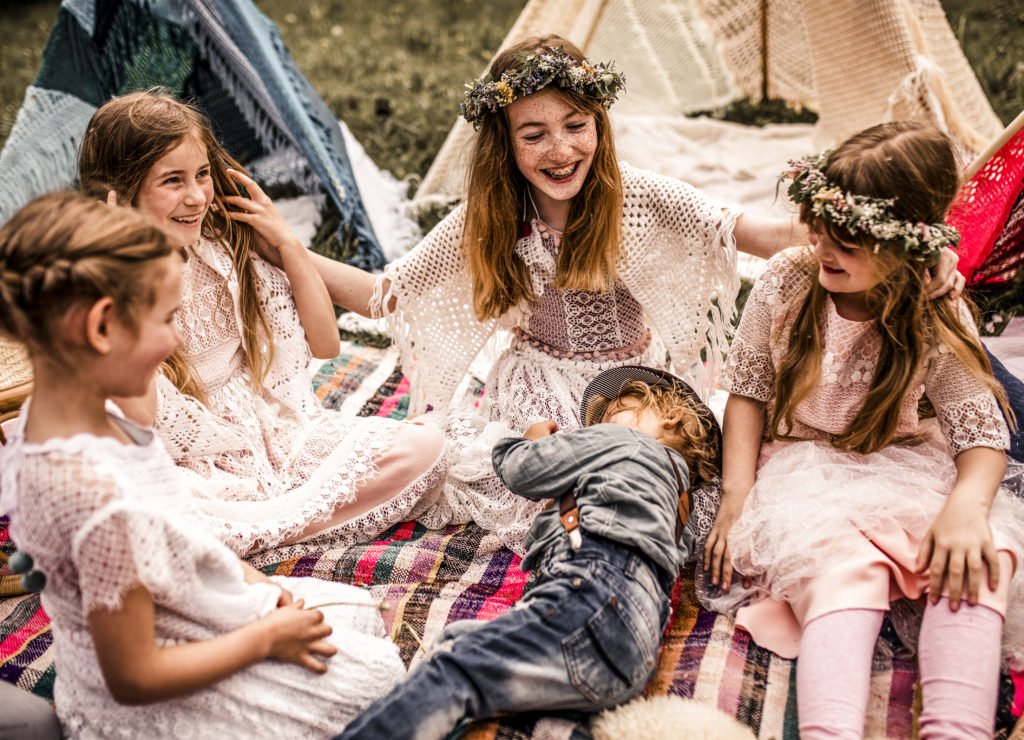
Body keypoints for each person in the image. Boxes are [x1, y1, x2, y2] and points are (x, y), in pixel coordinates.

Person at [292, 35, 963, 553]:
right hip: (540, 385)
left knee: (673, 484)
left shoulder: (637, 197)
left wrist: (915, 245)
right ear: (505, 144)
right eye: (534, 134)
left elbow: (762, 233)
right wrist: (287, 247)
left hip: (637, 382)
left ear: (599, 124)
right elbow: (386, 296)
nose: (560, 150)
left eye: (575, 125)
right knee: (560, 485)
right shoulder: (490, 219)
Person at [0, 192, 406, 737]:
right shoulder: (94, 498)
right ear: (101, 329)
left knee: (354, 611)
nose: (176, 339)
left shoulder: (63, 412)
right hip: (152, 687)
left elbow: (157, 514)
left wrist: (256, 589)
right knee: (378, 677)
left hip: (190, 606)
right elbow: (134, 676)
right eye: (167, 319)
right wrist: (265, 637)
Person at [701, 122, 1024, 739]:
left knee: (980, 557)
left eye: (847, 243)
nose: (824, 249)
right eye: (820, 230)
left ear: (905, 247)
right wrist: (737, 492)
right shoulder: (789, 281)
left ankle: (957, 727)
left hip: (905, 464)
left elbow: (979, 429)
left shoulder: (934, 306)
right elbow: (747, 391)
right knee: (843, 568)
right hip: (804, 467)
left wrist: (967, 506)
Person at [77, 91, 447, 558]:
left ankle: (259, 528)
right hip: (189, 459)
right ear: (120, 194)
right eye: (172, 181)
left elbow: (326, 343)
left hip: (272, 435)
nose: (196, 196)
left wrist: (287, 245)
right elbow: (142, 421)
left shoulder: (221, 248)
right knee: (146, 512)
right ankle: (263, 524)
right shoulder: (103, 290)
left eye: (202, 174)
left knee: (426, 448)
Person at [333, 365, 721, 739]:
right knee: (465, 647)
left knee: (454, 670)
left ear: (669, 417)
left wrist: (531, 440)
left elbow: (522, 470)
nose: (599, 427)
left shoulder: (625, 441)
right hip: (632, 659)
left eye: (616, 412)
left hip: (591, 604)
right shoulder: (678, 506)